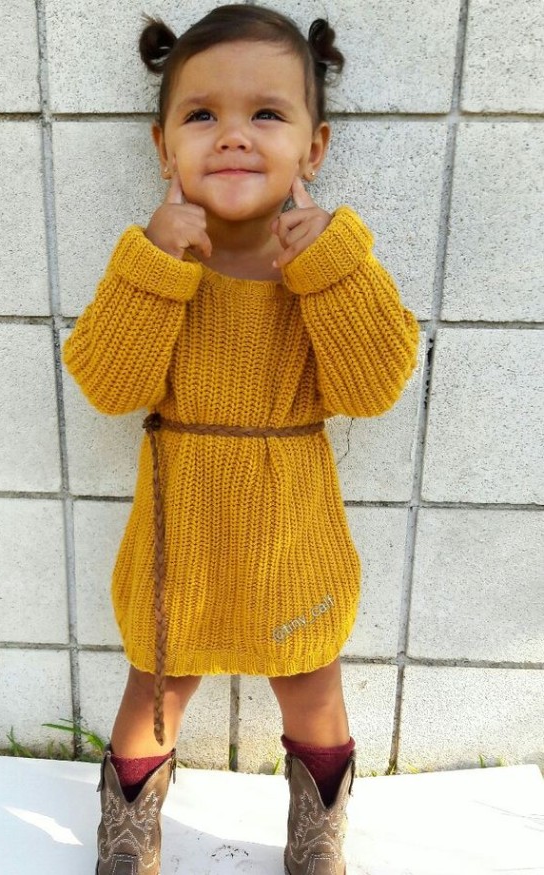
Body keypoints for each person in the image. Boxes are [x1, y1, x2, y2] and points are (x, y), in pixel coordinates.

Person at [61, 4, 420, 874]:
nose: (232, 137)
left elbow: (374, 387)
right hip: (178, 530)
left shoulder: (329, 265)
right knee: (156, 684)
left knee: (311, 682)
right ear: (163, 147)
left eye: (266, 113)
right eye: (201, 115)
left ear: (315, 147)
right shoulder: (154, 262)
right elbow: (108, 384)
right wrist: (153, 262)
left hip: (292, 527)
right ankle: (129, 831)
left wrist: (330, 263)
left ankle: (317, 833)